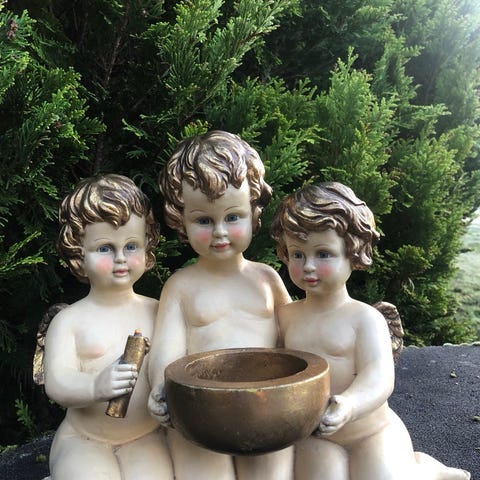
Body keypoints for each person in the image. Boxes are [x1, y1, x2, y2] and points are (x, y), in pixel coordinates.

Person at [270, 182, 471, 480]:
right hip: (316, 435)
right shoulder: (286, 317)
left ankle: (426, 470)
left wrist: (349, 405)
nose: (308, 266)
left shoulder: (365, 319)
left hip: (371, 431)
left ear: (354, 253)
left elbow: (378, 376)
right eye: (297, 254)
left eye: (323, 254)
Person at [148, 130, 294, 480]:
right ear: (180, 219)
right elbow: (166, 348)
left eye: (232, 217)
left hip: (265, 409)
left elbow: (296, 338)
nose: (219, 232)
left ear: (253, 211)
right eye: (203, 220)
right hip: (199, 414)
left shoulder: (267, 279)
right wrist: (160, 388)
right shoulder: (181, 286)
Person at [43, 174, 174, 480]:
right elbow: (57, 383)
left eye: (131, 246)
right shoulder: (69, 321)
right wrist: (94, 386)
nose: (120, 258)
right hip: (85, 438)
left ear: (147, 246)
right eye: (105, 248)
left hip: (145, 437)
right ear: (78, 253)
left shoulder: (160, 311)